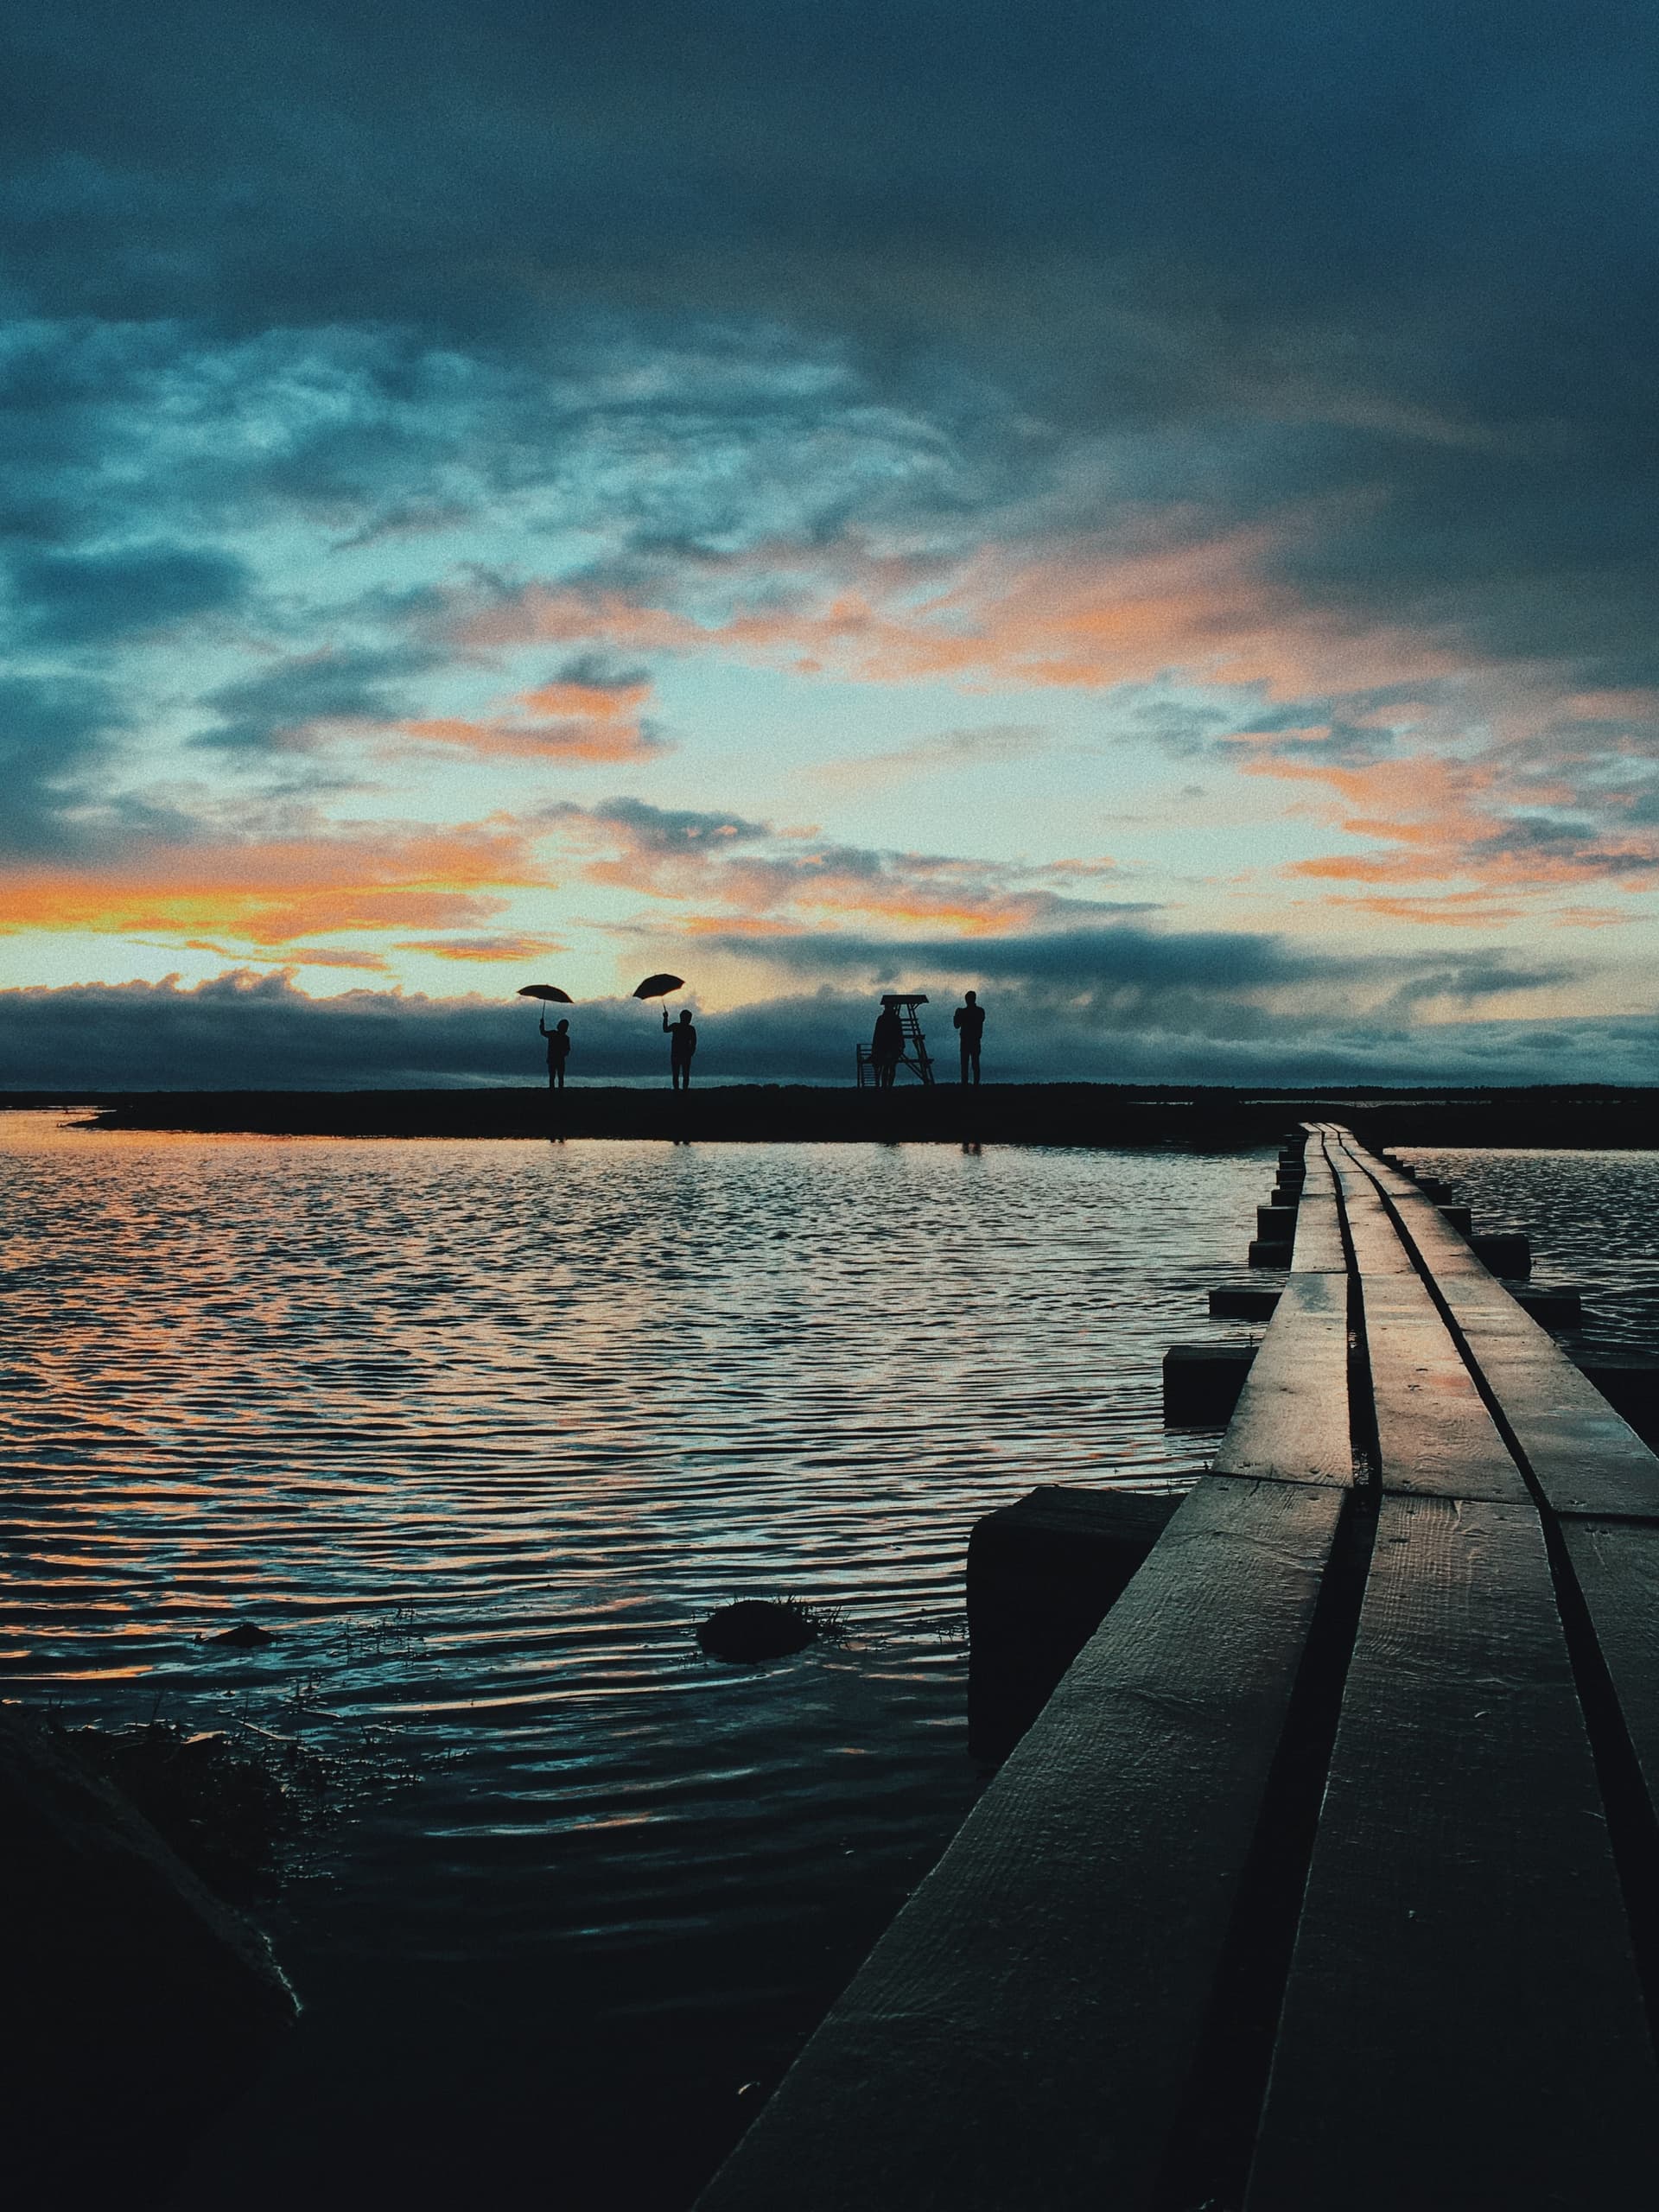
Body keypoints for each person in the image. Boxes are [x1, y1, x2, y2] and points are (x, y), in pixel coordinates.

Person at [952, 990, 985, 1085]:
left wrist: (957, 1014)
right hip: (973, 1041)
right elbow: (957, 1025)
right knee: (974, 1065)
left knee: (966, 1066)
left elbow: (956, 1025)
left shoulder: (965, 1012)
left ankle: (965, 1086)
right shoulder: (979, 1011)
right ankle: (975, 1086)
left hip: (967, 1041)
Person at [870, 1002, 903, 1088]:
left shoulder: (882, 1019)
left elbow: (876, 1034)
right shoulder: (895, 1019)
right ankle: (887, 1086)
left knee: (887, 1067)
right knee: (889, 1067)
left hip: (886, 1047)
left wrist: (875, 1048)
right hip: (889, 1047)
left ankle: (886, 1086)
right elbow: (899, 1033)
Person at [664, 1005, 697, 1089]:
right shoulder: (689, 1028)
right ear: (682, 1018)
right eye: (688, 1018)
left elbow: (694, 1043)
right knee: (682, 1075)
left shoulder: (678, 1026)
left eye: (690, 1018)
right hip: (680, 1054)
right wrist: (665, 1018)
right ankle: (681, 1091)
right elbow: (694, 1043)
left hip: (680, 1054)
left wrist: (665, 1018)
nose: (689, 1020)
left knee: (680, 1075)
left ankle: (680, 1091)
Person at [538, 1014, 571, 1091]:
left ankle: (553, 1092)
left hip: (553, 1059)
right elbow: (567, 1051)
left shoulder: (553, 1034)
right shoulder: (566, 1038)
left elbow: (543, 1032)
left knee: (553, 1077)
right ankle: (559, 1092)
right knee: (559, 1078)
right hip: (559, 1060)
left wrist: (542, 1024)